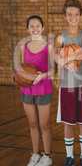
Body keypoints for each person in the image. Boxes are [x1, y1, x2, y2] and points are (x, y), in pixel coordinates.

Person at [55, 0, 82, 166]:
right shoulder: (60, 37)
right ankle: (70, 156)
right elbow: (56, 58)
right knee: (68, 123)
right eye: (69, 14)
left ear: (80, 16)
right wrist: (69, 59)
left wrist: (69, 57)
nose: (73, 17)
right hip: (67, 85)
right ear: (65, 16)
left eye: (76, 14)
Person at [14, 15, 53, 166]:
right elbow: (22, 68)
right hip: (27, 90)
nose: (35, 28)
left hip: (43, 88)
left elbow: (53, 71)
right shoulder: (24, 46)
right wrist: (18, 76)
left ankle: (47, 156)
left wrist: (42, 75)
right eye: (32, 26)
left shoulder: (48, 45)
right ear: (28, 29)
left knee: (44, 125)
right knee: (32, 123)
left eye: (38, 26)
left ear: (42, 28)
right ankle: (35, 154)